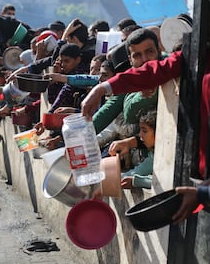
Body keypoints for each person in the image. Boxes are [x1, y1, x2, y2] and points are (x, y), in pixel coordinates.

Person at [80, 49, 209, 223]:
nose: (143, 60)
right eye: (137, 54)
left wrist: (203, 193)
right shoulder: (199, 51)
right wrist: (101, 89)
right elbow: (155, 72)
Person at [110, 109, 157, 189]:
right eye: (140, 130)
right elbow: (139, 171)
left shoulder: (174, 156)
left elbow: (168, 184)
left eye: (144, 131)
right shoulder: (154, 156)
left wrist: (137, 182)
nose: (140, 135)